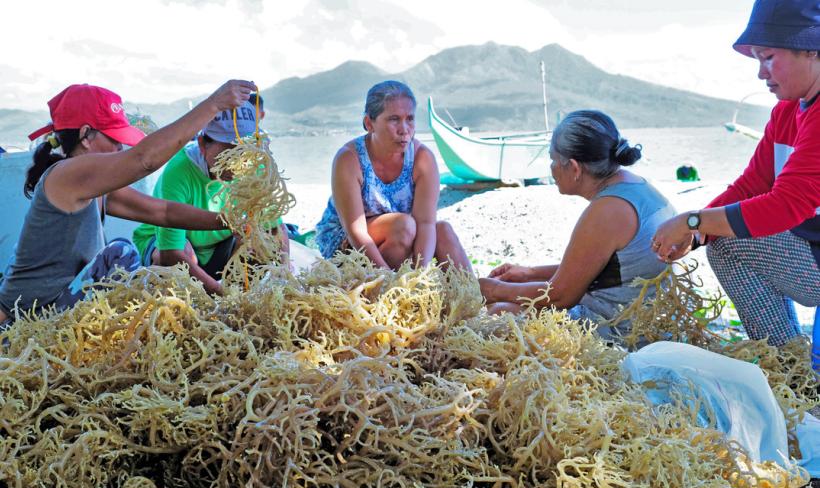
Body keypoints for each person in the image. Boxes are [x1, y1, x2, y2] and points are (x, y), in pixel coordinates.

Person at [0, 79, 256, 324]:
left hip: (55, 307)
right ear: (86, 136)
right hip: (26, 321)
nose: (120, 148)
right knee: (121, 253)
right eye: (113, 138)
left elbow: (163, 212)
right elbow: (143, 161)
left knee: (153, 277)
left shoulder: (92, 187)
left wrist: (227, 221)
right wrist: (214, 104)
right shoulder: (67, 173)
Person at [652, 0, 820, 347]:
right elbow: (752, 185)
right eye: (758, 59)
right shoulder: (787, 112)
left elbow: (785, 205)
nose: (761, 73)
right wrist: (696, 235)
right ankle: (789, 368)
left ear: (811, 50)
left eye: (769, 57)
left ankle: (786, 363)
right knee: (722, 241)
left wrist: (693, 222)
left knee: (728, 244)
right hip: (813, 245)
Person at [479, 110, 676, 341]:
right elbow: (606, 268)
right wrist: (528, 273)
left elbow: (562, 296)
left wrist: (492, 289)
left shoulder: (608, 210)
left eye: (553, 159)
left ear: (574, 168)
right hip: (649, 322)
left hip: (623, 333)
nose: (551, 168)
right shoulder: (635, 186)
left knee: (501, 313)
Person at [132, 93, 288, 294]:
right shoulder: (179, 171)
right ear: (202, 145)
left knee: (260, 243)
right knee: (180, 261)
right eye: (228, 151)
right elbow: (172, 253)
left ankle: (238, 299)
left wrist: (284, 273)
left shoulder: (255, 165)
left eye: (244, 150)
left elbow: (275, 228)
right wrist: (219, 294)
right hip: (166, 246)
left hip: (220, 245)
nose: (238, 162)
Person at [315, 80, 471, 271]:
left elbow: (426, 223)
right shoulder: (349, 159)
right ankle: (387, 287)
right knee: (404, 226)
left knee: (443, 231)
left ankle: (471, 294)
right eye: (394, 119)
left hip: (401, 237)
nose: (404, 129)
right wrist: (387, 278)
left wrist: (419, 274)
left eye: (410, 119)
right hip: (349, 244)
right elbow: (357, 232)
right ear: (369, 123)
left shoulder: (422, 158)